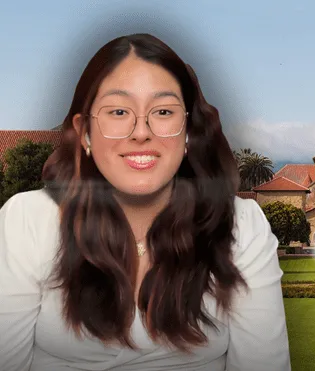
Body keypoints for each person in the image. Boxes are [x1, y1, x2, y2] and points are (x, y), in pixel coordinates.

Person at [0, 33, 291, 370]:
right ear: (85, 133)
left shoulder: (241, 225)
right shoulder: (28, 221)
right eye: (119, 111)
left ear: (189, 132)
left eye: (163, 111)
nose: (141, 132)